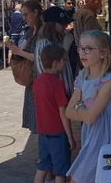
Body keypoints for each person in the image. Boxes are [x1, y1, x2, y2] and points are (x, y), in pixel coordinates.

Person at [65, 30, 111, 183]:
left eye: (89, 49)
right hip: (90, 137)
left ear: (104, 53)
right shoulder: (82, 77)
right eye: (81, 48)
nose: (82, 52)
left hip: (104, 138)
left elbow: (90, 118)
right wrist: (83, 110)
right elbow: (68, 112)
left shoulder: (109, 82)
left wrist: (78, 107)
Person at [33, 44, 76, 183]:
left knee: (42, 167)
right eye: (64, 60)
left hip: (42, 132)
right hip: (57, 132)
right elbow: (63, 111)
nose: (66, 63)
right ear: (55, 63)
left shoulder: (37, 81)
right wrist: (70, 137)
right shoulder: (57, 83)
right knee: (60, 171)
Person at [7, 0, 43, 134]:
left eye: (26, 14)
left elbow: (40, 58)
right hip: (31, 79)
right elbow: (22, 50)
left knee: (41, 118)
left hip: (40, 76)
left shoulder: (43, 31)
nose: (24, 18)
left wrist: (19, 52)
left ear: (35, 12)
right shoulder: (30, 31)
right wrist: (15, 50)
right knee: (35, 118)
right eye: (22, 15)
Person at [35, 7, 75, 99]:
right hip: (55, 96)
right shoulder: (45, 44)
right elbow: (52, 69)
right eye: (62, 23)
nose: (65, 26)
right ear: (52, 24)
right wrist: (65, 48)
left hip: (63, 94)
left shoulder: (56, 41)